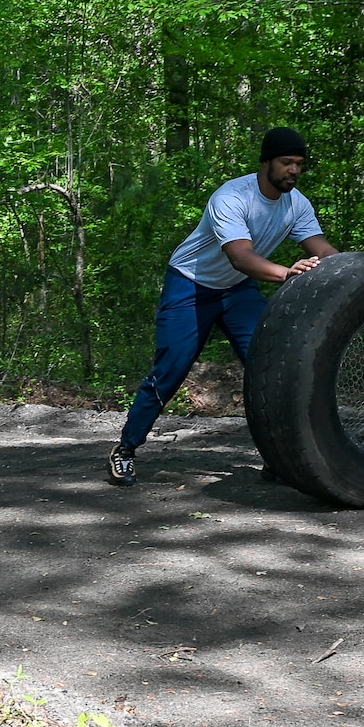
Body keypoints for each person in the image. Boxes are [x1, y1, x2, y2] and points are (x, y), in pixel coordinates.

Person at [106, 126, 339, 487]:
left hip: (236, 291)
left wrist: (352, 269)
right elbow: (241, 257)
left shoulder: (297, 204)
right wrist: (286, 273)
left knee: (271, 365)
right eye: (286, 162)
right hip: (191, 285)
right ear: (267, 162)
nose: (293, 170)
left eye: (299, 164)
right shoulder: (232, 197)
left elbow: (321, 248)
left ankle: (279, 457)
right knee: (171, 369)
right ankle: (125, 449)